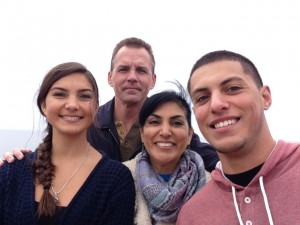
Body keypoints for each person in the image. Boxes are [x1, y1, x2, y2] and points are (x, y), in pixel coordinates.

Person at [0, 37, 219, 172]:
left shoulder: (165, 126)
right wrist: (20, 159)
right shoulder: (86, 122)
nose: (132, 77)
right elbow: (56, 152)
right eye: (123, 69)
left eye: (141, 70)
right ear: (110, 77)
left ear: (153, 80)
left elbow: (211, 158)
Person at [0, 62, 135, 224]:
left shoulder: (116, 180)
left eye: (84, 96)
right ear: (43, 105)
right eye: (60, 94)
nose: (72, 105)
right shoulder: (12, 171)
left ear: (96, 107)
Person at [177, 50, 300, 225]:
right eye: (202, 97)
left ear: (265, 97)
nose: (217, 104)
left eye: (233, 88)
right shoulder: (191, 216)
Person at [124, 82, 207, 225]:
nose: (165, 132)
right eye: (155, 122)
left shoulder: (209, 183)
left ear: (189, 135)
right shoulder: (122, 178)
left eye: (177, 123)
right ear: (142, 134)